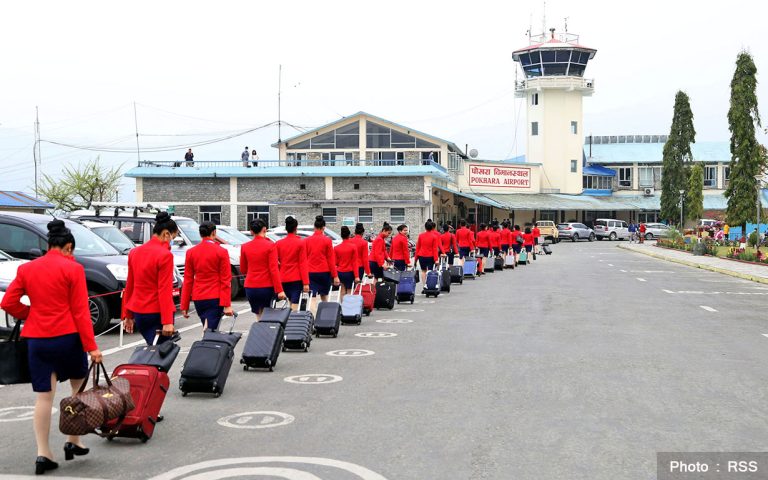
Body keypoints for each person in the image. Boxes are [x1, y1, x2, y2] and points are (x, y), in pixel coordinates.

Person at [0, 220, 102, 475]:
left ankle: (43, 453)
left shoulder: (27, 269)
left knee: (44, 397)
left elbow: (8, 302)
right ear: (68, 246)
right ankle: (73, 439)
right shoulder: (73, 268)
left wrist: (30, 314)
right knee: (77, 390)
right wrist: (92, 347)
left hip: (36, 340)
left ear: (48, 244)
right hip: (68, 338)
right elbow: (80, 312)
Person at [122, 212, 178, 345]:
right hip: (157, 313)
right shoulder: (165, 255)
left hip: (139, 313)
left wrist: (127, 315)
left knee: (153, 352)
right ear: (165, 234)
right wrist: (168, 321)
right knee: (161, 357)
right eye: (172, 238)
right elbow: (164, 290)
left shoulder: (134, 252)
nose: (171, 241)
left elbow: (130, 285)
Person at [180, 221, 234, 331]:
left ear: (200, 234)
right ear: (214, 232)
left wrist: (184, 304)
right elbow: (225, 280)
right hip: (215, 296)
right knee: (211, 330)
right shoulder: (221, 251)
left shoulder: (191, 252)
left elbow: (188, 280)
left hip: (198, 297)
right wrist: (227, 304)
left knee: (207, 326)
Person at [241, 218, 286, 318]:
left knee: (258, 314)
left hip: (250, 286)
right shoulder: (270, 246)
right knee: (267, 314)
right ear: (264, 229)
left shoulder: (245, 246)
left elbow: (243, 269)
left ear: (251, 231)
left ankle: (259, 332)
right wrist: (280, 290)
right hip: (266, 286)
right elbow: (274, 270)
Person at [275, 216, 310, 310]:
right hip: (296, 277)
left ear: (286, 229)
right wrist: (306, 283)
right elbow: (303, 263)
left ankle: (289, 321)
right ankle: (292, 323)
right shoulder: (300, 243)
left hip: (283, 277)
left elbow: (275, 263)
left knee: (290, 301)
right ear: (296, 228)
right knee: (295, 303)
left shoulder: (278, 243)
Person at [304, 216, 340, 305]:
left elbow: (303, 259)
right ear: (324, 227)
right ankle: (325, 316)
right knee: (324, 295)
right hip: (324, 272)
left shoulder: (306, 241)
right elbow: (331, 260)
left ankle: (312, 316)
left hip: (310, 272)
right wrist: (335, 276)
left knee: (312, 297)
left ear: (314, 227)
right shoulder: (327, 241)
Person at [334, 226, 361, 302]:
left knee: (342, 290)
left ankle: (342, 307)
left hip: (340, 272)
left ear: (341, 236)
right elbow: (355, 262)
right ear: (349, 235)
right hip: (350, 272)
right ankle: (348, 309)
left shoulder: (336, 248)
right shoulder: (353, 247)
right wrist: (357, 276)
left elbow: (335, 263)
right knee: (349, 291)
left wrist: (335, 275)